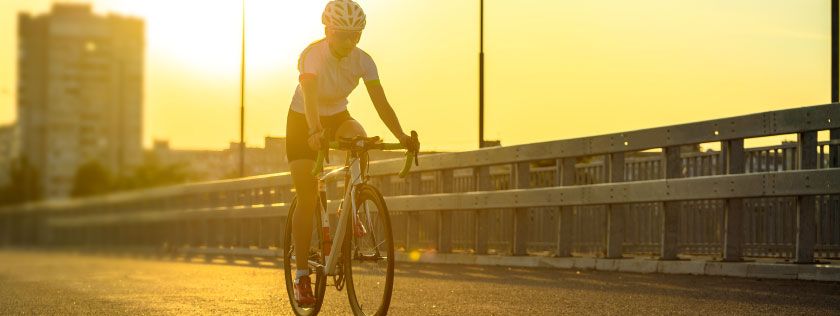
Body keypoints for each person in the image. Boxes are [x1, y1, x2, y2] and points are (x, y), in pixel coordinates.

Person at [286, 0, 414, 307]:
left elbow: (381, 103)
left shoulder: (364, 61)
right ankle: (302, 275)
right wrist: (315, 131)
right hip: (304, 118)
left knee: (361, 138)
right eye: (344, 35)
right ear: (328, 30)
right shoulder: (312, 55)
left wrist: (402, 136)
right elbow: (312, 97)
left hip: (339, 115)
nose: (350, 42)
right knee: (306, 196)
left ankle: (354, 204)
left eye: (356, 36)